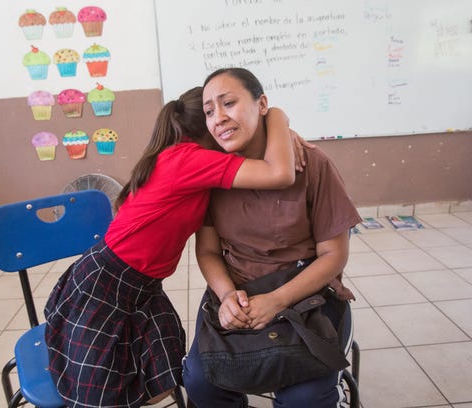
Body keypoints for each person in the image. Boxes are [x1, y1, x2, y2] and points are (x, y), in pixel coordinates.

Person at [43, 84, 299, 408]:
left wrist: (289, 140)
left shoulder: (186, 158)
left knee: (167, 365)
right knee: (99, 391)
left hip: (142, 287)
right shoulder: (188, 160)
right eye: (215, 117)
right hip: (106, 284)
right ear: (204, 127)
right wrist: (276, 115)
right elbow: (279, 172)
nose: (225, 125)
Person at [182, 67, 362, 408]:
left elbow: (333, 255)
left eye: (229, 103)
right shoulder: (212, 172)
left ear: (262, 104)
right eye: (209, 111)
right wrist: (226, 296)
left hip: (304, 295)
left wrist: (278, 300)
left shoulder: (311, 164)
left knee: (305, 397)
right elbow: (207, 252)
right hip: (239, 297)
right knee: (201, 381)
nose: (218, 118)